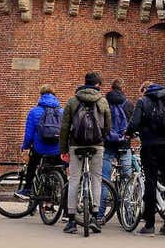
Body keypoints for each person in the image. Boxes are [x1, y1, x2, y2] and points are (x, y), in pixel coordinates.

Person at [126, 80, 165, 236]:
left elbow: (134, 122)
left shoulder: (143, 101)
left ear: (146, 90)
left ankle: (149, 224)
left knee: (150, 181)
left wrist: (128, 133)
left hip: (150, 146)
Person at [59, 72, 111, 235]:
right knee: (96, 178)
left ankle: (72, 220)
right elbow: (108, 124)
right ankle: (95, 217)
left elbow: (65, 127)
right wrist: (102, 138)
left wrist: (63, 149)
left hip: (76, 145)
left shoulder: (73, 101)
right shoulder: (102, 101)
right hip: (96, 145)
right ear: (97, 85)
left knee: (74, 178)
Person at [15, 84, 63, 199]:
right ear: (55, 96)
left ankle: (27, 189)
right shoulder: (62, 111)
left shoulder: (34, 112)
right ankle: (53, 200)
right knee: (56, 171)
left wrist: (25, 146)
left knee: (32, 164)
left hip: (40, 148)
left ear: (41, 95)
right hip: (56, 149)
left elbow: (29, 135)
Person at [96, 78, 134, 224]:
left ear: (111, 88)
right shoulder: (129, 104)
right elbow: (132, 125)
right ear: (123, 89)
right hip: (124, 146)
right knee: (127, 180)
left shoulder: (103, 102)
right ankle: (129, 217)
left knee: (105, 180)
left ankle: (100, 216)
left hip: (108, 145)